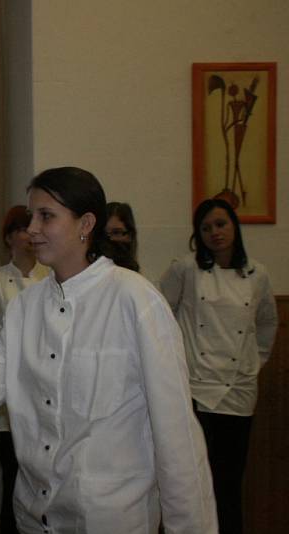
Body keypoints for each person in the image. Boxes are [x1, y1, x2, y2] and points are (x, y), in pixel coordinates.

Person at [0, 167, 217, 533]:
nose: (31, 228)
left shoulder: (136, 299)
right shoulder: (26, 307)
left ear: (86, 224)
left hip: (111, 518)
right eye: (31, 216)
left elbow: (177, 436)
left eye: (46, 216)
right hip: (36, 515)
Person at [159, 198, 277, 534]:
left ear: (234, 227)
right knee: (194, 482)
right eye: (206, 227)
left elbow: (267, 323)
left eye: (221, 224)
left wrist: (255, 363)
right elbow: (161, 315)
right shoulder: (186, 269)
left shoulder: (257, 274)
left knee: (229, 483)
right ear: (198, 233)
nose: (215, 233)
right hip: (196, 388)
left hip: (239, 392)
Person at [0, 205, 48, 534]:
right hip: (9, 392)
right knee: (13, 474)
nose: (31, 234)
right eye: (23, 229)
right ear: (9, 237)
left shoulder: (50, 276)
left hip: (47, 389)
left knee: (45, 478)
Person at [105, 201, 140, 272]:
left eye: (116, 232)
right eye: (103, 233)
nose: (110, 238)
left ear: (130, 235)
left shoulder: (136, 279)